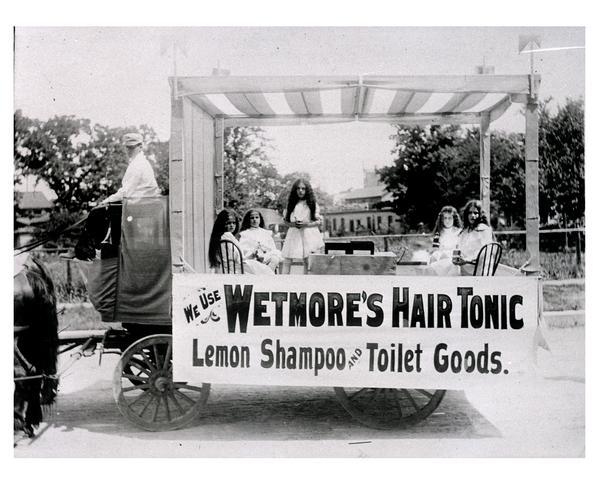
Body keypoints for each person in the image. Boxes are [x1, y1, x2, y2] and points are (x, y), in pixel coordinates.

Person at [208, 209, 274, 275]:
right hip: (236, 270)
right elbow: (237, 258)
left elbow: (237, 257)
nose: (232, 225)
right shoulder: (227, 236)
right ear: (222, 224)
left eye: (234, 223)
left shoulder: (218, 237)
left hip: (229, 268)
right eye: (228, 223)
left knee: (261, 267)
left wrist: (251, 256)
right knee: (264, 270)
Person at [101, 133, 160, 204]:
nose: (128, 150)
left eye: (132, 147)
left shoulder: (138, 164)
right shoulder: (140, 162)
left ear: (140, 147)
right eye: (127, 147)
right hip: (145, 205)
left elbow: (126, 191)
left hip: (142, 207)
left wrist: (107, 201)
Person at [280, 179, 324, 273]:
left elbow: (318, 221)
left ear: (307, 190)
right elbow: (285, 222)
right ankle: (284, 281)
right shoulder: (291, 204)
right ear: (295, 190)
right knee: (287, 259)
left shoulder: (312, 204)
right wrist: (293, 224)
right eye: (298, 188)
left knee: (307, 260)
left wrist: (306, 224)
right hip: (294, 233)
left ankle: (307, 282)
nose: (300, 191)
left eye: (303, 189)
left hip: (308, 233)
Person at [452, 199, 494, 275]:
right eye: (470, 213)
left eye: (475, 213)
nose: (472, 215)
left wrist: (467, 260)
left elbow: (484, 252)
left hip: (477, 267)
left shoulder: (483, 229)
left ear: (480, 215)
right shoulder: (465, 231)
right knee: (443, 264)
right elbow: (459, 248)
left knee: (446, 268)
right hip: (464, 265)